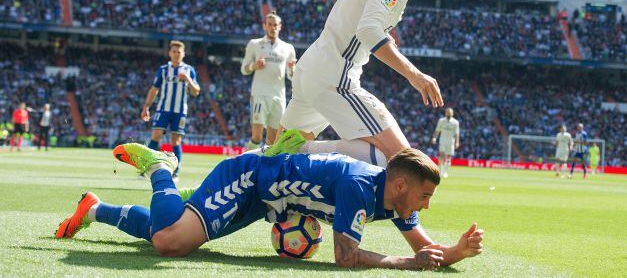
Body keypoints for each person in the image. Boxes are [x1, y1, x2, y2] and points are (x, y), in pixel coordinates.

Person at [56, 142, 484, 270]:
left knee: (171, 234)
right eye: (425, 196)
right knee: (170, 244)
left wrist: (455, 252)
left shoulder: (396, 200)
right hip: (248, 179)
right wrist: (401, 265)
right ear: (403, 183)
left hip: (264, 203)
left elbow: (424, 253)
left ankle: (94, 209)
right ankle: (160, 169)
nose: (425, 207)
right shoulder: (359, 186)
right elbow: (345, 257)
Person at [276, 0, 470, 165]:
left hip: (312, 69)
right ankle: (306, 150)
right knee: (403, 161)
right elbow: (368, 31)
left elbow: (361, 18)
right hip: (335, 78)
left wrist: (384, 34)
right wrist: (414, 74)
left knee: (276, 161)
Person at [140, 40, 200, 180]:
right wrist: (146, 107)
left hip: (180, 111)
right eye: (174, 51)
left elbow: (196, 91)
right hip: (163, 109)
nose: (176, 54)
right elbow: (154, 89)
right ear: (169, 53)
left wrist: (188, 80)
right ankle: (147, 168)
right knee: (155, 137)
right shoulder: (163, 70)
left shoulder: (189, 70)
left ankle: (175, 172)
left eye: (179, 52)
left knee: (176, 141)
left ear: (183, 54)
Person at [241, 12, 297, 150]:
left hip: (279, 96)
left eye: (275, 25)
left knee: (272, 140)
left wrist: (292, 69)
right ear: (264, 26)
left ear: (280, 27)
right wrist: (254, 65)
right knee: (257, 136)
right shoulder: (254, 44)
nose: (273, 27)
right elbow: (244, 69)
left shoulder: (288, 48)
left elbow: (291, 76)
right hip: (259, 94)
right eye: (270, 24)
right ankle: (246, 165)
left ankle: (265, 169)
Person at [431, 107, 460, 178]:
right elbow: (437, 130)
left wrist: (457, 142)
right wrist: (434, 137)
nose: (448, 113)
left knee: (448, 157)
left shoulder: (455, 122)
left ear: (452, 114)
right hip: (442, 140)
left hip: (450, 142)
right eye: (447, 112)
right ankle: (441, 172)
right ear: (445, 113)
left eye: (450, 112)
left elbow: (457, 133)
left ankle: (445, 172)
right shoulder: (441, 121)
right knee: (441, 156)